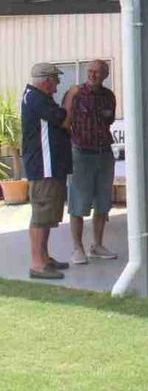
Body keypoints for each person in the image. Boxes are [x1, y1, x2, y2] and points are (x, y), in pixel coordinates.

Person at [62, 60, 118, 264]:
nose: (93, 75)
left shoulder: (109, 96)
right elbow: (65, 121)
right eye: (90, 71)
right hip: (81, 154)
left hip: (104, 153)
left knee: (103, 202)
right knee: (78, 202)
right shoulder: (75, 93)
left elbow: (109, 121)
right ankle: (78, 248)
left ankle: (97, 245)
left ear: (105, 74)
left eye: (98, 72)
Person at [21, 62, 73, 280]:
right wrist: (71, 97)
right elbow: (65, 121)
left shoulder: (39, 98)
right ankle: (37, 263)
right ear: (46, 81)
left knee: (48, 214)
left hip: (51, 167)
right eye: (55, 80)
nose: (57, 85)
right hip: (44, 168)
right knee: (41, 215)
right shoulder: (36, 99)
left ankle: (44, 257)